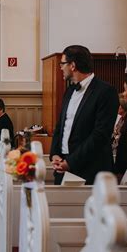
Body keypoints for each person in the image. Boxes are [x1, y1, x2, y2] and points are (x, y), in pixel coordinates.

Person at [50, 45, 119, 185]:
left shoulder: (106, 92)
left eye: (62, 63)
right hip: (63, 169)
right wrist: (55, 154)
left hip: (91, 171)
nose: (60, 67)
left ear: (73, 65)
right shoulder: (69, 91)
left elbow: (100, 135)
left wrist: (71, 162)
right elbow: (60, 127)